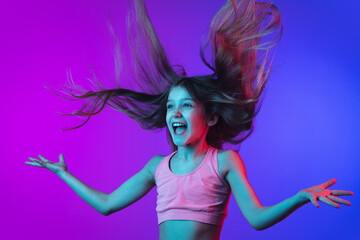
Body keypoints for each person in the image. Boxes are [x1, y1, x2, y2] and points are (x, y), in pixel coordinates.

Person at [25, 0, 354, 239]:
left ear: (210, 117)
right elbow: (108, 204)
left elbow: (256, 218)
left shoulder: (224, 162)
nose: (175, 114)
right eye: (170, 107)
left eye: (185, 106)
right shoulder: (157, 167)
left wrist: (300, 197)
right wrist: (63, 174)